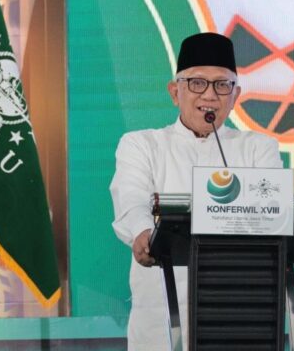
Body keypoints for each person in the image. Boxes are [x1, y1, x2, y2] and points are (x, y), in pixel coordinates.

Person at [109, 32, 282, 350]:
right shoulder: (143, 144)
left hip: (242, 312)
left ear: (236, 95)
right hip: (162, 318)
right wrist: (144, 233)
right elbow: (131, 198)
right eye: (197, 83)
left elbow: (271, 213)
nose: (210, 95)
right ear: (175, 92)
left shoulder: (259, 149)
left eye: (222, 84)